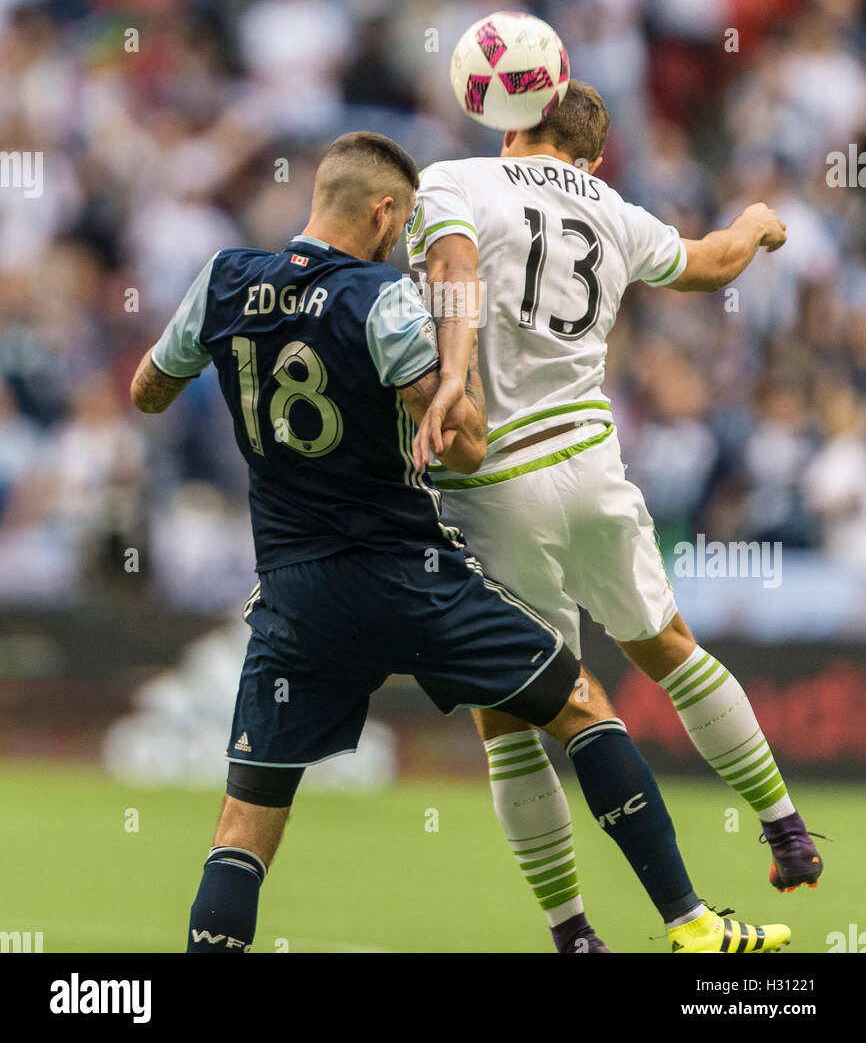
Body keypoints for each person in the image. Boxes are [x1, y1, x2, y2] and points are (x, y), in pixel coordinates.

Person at [131, 129, 789, 956]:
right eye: (404, 220)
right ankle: (689, 922)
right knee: (581, 706)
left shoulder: (223, 280)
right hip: (412, 578)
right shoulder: (383, 298)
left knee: (243, 825)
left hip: (296, 594)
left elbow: (148, 391)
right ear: (383, 211)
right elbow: (465, 444)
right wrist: (458, 383)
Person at [407, 80, 822, 948]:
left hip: (494, 482)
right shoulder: (613, 206)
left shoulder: (456, 181)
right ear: (589, 156)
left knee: (514, 721)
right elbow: (710, 263)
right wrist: (753, 222)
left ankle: (574, 934)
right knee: (670, 648)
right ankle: (783, 826)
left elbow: (447, 274)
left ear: (516, 126)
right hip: (593, 467)